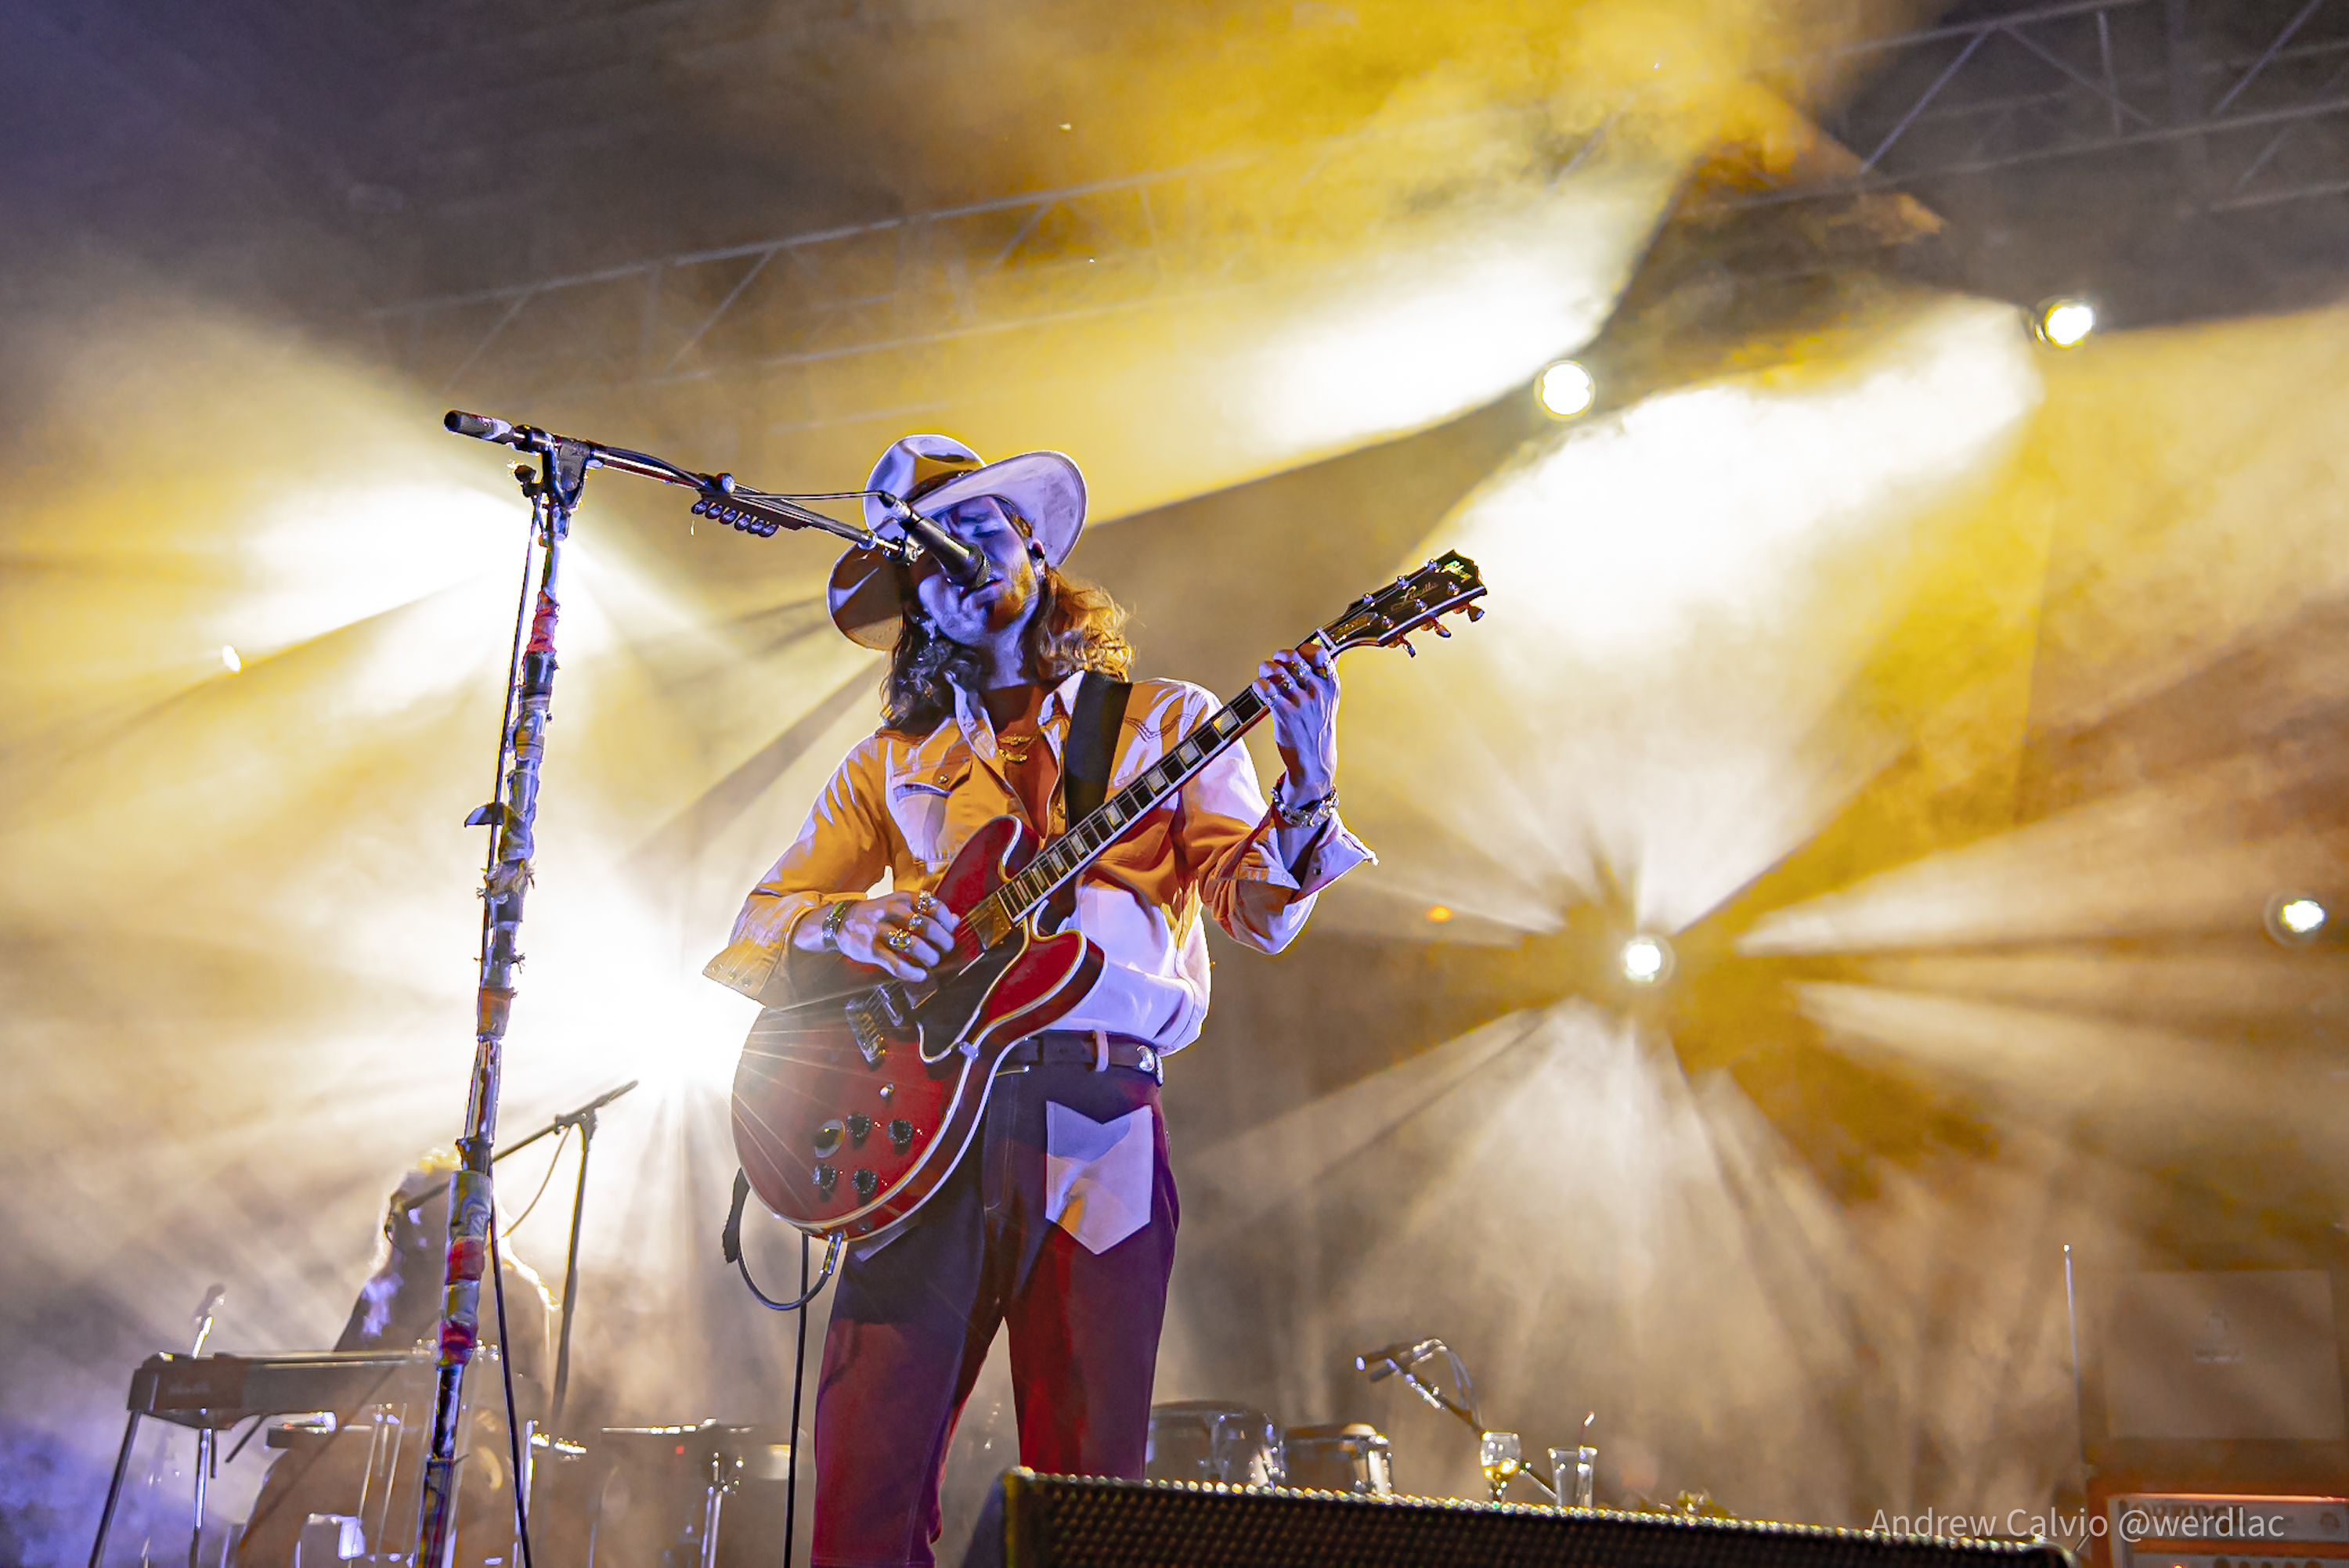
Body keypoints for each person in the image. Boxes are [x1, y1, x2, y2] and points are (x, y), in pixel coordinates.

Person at [702, 434, 1371, 1568]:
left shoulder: (1165, 718)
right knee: (861, 1495)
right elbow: (755, 925)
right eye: (922, 552)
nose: (949, 558)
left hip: (1095, 1113)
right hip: (916, 1130)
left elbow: (1256, 910)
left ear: (1036, 549)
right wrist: (846, 921)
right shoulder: (885, 762)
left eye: (975, 526)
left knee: (1085, 1494)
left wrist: (1309, 782)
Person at [234, 1154, 554, 1567]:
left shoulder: (516, 1294)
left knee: (472, 1494)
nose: (419, 1225)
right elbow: (336, 1378)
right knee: (285, 1480)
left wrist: (475, 1385)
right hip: (376, 1454)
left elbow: (538, 1400)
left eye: (431, 1211)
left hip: (477, 1459)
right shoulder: (386, 1288)